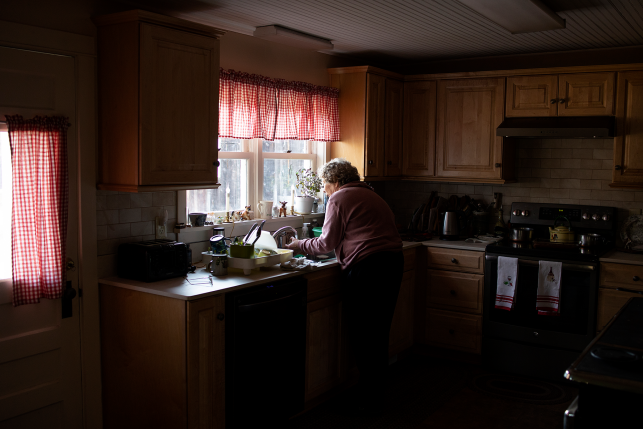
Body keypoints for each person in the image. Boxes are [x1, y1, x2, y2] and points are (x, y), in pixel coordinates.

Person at [286, 158, 404, 410]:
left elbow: (325, 244)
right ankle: (374, 394)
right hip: (392, 264)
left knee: (364, 335)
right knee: (378, 332)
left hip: (368, 270)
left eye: (326, 185)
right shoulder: (371, 194)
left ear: (336, 182)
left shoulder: (339, 198)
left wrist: (297, 244)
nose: (325, 191)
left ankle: (367, 401)